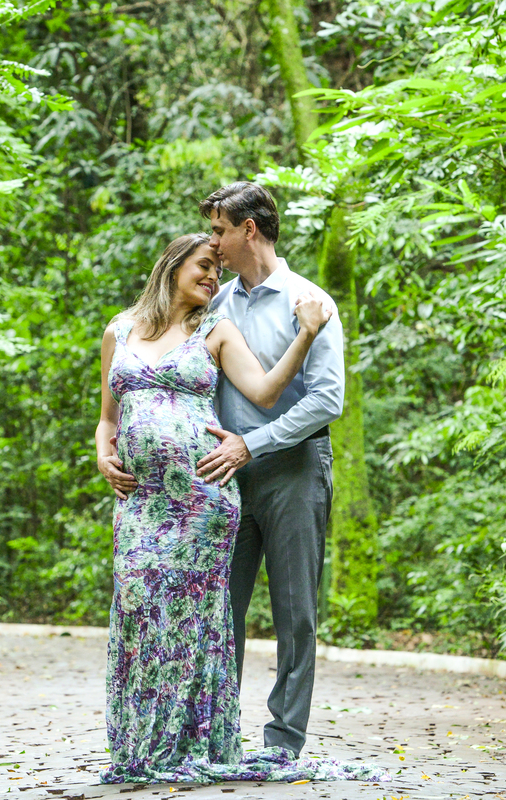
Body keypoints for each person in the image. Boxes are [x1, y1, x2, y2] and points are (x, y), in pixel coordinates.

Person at [94, 232, 385, 786]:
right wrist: (103, 455)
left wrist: (306, 332)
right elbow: (108, 417)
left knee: (223, 617)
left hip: (209, 498)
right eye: (203, 265)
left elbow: (271, 391)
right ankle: (143, 740)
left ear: (248, 229)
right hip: (144, 502)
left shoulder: (220, 324)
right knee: (139, 613)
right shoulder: (120, 330)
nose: (213, 272)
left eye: (216, 257)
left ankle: (230, 737)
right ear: (171, 266)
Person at [196, 182, 343, 759]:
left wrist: (252, 445)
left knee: (294, 612)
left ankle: (283, 744)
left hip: (295, 469)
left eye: (218, 230)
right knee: (219, 609)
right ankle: (218, 739)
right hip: (222, 476)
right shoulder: (213, 304)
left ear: (248, 230)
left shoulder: (311, 301)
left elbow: (326, 399)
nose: (214, 243)